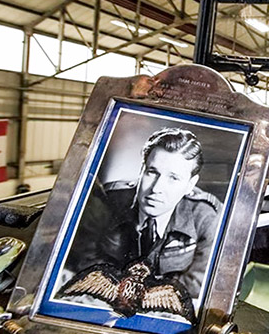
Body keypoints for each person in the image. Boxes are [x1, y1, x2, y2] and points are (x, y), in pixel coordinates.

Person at [64, 127, 220, 299]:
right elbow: (85, 260)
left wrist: (141, 298)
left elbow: (198, 282)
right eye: (152, 172)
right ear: (141, 170)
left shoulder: (206, 217)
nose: (156, 188)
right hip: (104, 299)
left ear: (190, 185)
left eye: (173, 178)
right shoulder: (108, 201)